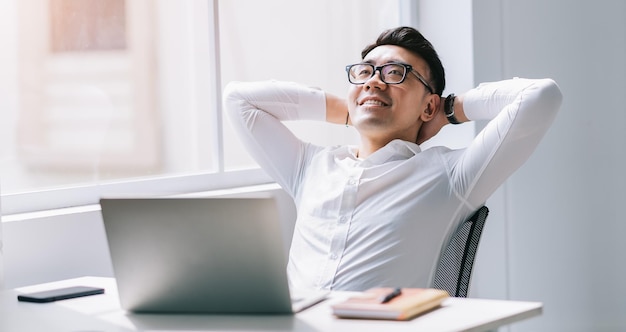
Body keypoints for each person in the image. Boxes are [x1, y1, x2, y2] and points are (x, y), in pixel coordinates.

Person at [223, 26, 562, 291]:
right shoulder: (311, 167)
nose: (374, 81)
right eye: (365, 72)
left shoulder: (449, 176)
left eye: (395, 73)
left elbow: (540, 96)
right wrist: (353, 108)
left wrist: (445, 111)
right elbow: (238, 100)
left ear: (427, 105)